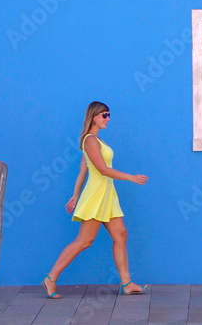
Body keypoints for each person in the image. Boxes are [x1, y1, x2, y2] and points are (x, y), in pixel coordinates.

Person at [42, 101, 149, 298]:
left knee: (121, 235)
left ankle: (127, 283)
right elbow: (102, 170)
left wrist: (75, 195)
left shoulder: (96, 141)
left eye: (109, 115)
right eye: (105, 115)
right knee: (84, 241)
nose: (108, 119)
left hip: (107, 196)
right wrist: (131, 177)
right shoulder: (90, 140)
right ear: (94, 117)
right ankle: (51, 277)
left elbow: (83, 170)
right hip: (96, 196)